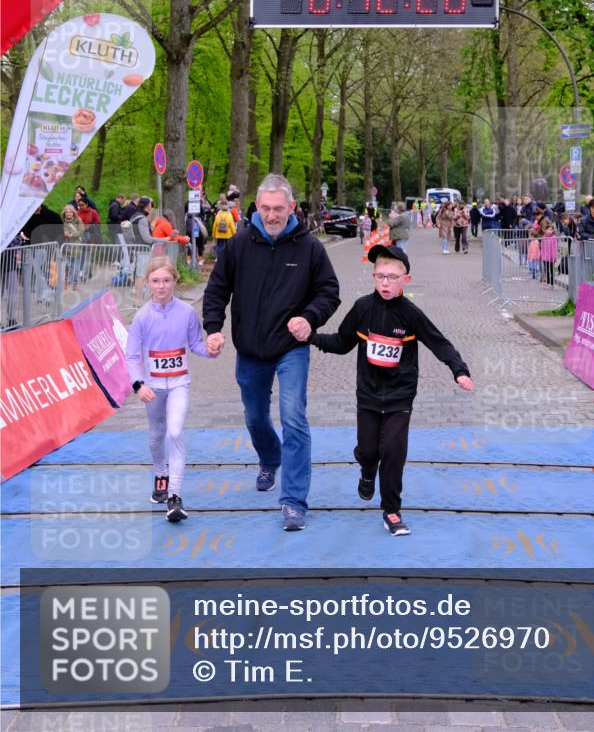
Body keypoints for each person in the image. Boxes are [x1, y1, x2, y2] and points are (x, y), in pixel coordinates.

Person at [202, 173, 340, 532]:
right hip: (250, 348)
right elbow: (216, 289)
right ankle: (269, 457)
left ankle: (293, 501)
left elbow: (329, 291)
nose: (271, 215)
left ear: (291, 207)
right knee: (254, 418)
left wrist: (310, 318)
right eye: (265, 208)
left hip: (291, 347)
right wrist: (213, 328)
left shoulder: (309, 247)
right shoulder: (240, 244)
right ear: (257, 207)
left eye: (278, 208)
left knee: (293, 418)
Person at [309, 244, 473, 537]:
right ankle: (367, 469)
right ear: (373, 276)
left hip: (400, 395)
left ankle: (392, 510)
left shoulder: (411, 314)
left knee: (393, 452)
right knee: (368, 450)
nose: (385, 283)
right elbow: (342, 343)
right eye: (380, 276)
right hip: (368, 394)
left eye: (392, 277)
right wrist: (310, 337)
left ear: (405, 280)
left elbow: (439, 342)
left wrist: (459, 370)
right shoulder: (362, 308)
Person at [126, 257, 217, 522]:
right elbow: (132, 356)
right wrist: (138, 385)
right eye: (156, 281)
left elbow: (196, 344)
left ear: (175, 281)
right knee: (157, 434)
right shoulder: (142, 317)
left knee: (175, 432)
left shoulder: (187, 312)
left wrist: (211, 350)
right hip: (153, 387)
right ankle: (160, 473)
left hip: (178, 383)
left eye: (166, 280)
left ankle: (175, 496)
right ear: (148, 283)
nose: (161, 286)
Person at [61, 204, 85, 291]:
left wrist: (72, 234)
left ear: (73, 213)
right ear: (64, 213)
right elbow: (59, 230)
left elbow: (81, 230)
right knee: (67, 265)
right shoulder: (62, 221)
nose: (68, 214)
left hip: (76, 246)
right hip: (66, 247)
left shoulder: (78, 220)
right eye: (66, 212)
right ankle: (65, 281)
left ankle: (74, 283)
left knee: (76, 267)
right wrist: (64, 233)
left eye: (70, 212)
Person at [539, 221, 558, 288]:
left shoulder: (554, 238)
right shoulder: (543, 238)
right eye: (548, 229)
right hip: (545, 257)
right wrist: (541, 255)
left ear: (553, 230)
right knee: (546, 271)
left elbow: (555, 248)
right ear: (545, 230)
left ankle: (552, 284)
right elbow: (542, 247)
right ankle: (548, 283)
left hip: (551, 257)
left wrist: (554, 256)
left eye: (551, 230)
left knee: (551, 271)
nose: (549, 231)